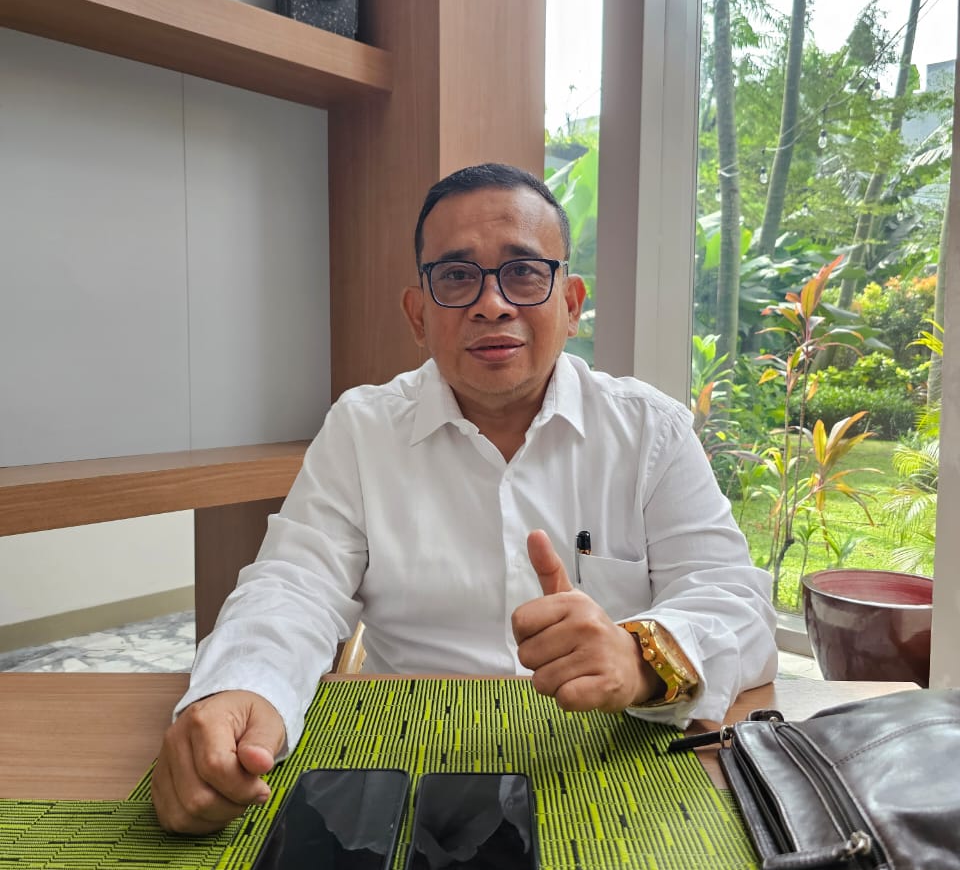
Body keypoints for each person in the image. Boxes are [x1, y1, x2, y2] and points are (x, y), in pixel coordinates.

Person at [152, 163, 777, 834]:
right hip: (408, 767)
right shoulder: (362, 430)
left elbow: (735, 602)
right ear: (418, 315)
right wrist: (244, 687)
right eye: (456, 276)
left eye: (524, 272)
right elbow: (292, 586)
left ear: (571, 304)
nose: (492, 304)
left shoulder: (650, 430)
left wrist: (642, 658)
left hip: (611, 765)